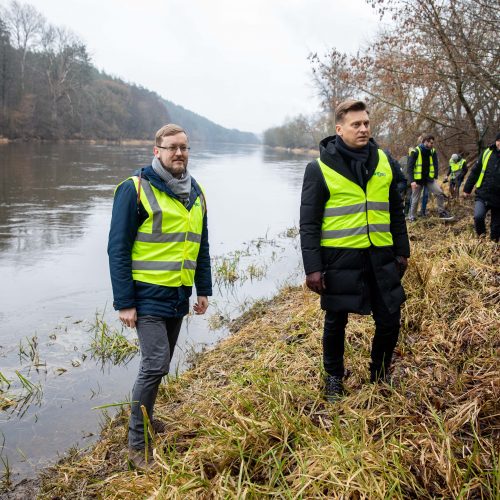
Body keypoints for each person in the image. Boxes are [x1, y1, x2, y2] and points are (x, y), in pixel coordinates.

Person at [107, 124, 212, 466]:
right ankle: (137, 443)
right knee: (155, 364)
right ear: (157, 151)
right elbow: (118, 249)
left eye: (184, 147)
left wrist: (204, 289)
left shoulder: (196, 192)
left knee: (161, 366)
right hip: (146, 295)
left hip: (177, 295)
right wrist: (124, 302)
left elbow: (201, 245)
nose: (179, 153)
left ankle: (147, 419)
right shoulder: (134, 189)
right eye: (171, 147)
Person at [299, 99, 410, 402]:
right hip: (339, 259)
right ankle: (333, 377)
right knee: (336, 322)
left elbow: (395, 211)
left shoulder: (384, 161)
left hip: (380, 256)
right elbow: (308, 223)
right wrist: (313, 268)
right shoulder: (318, 168)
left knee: (390, 317)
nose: (363, 129)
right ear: (339, 129)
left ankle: (380, 373)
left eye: (366, 123)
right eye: (356, 124)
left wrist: (402, 251)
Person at [463, 132, 500, 242]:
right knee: (478, 217)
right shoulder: (487, 153)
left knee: (496, 228)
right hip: (483, 194)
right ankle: (481, 238)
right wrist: (467, 189)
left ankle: (493, 245)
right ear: (497, 141)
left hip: (499, 199)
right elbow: (475, 171)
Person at [407, 134, 453, 221]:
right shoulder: (416, 151)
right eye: (430, 143)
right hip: (418, 180)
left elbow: (435, 164)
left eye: (432, 143)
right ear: (424, 142)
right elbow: (410, 168)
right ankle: (412, 216)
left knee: (439, 193)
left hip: (429, 179)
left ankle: (441, 212)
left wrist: (435, 175)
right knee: (415, 199)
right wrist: (412, 181)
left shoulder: (432, 151)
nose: (432, 144)